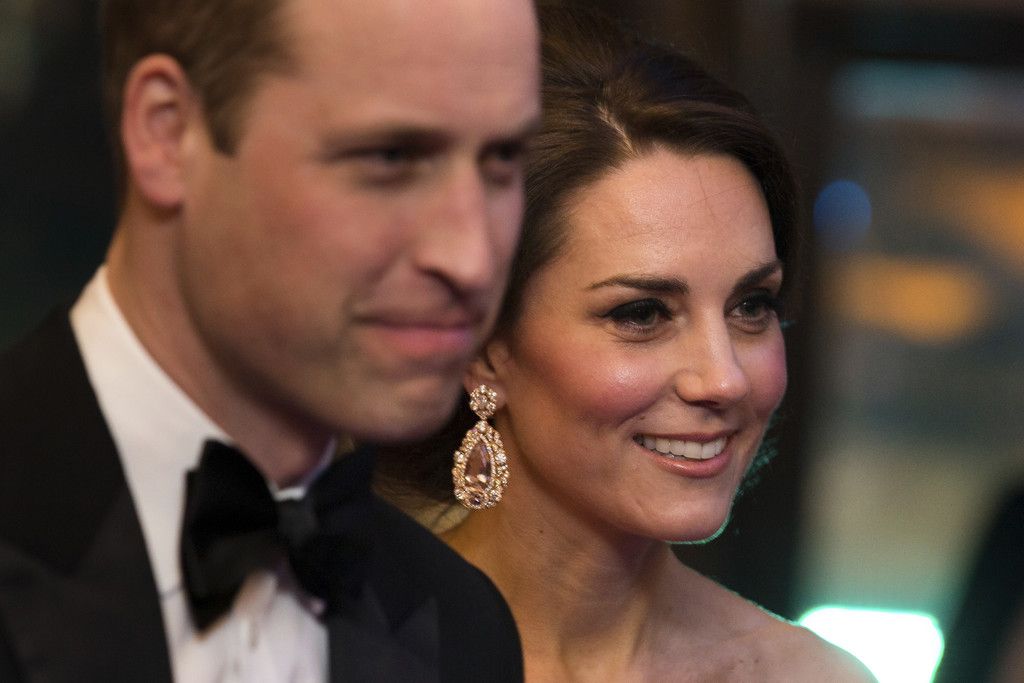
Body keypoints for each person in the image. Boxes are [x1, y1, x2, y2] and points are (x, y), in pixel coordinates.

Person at [0, 0, 539, 680]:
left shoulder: (462, 626)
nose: (472, 257)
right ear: (168, 132)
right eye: (390, 158)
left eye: (502, 160)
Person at [377, 7, 875, 681]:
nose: (724, 378)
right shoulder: (326, 650)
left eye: (751, 306)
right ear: (484, 347)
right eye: (642, 314)